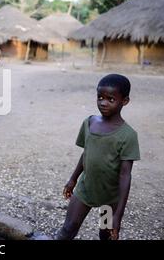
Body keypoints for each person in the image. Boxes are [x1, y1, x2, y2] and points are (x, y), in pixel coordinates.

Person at [56, 74, 140, 240]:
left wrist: (118, 215)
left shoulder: (128, 135)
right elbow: (86, 152)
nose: (103, 102)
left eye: (110, 99)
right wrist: (73, 179)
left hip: (110, 196)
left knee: (105, 234)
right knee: (67, 230)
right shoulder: (89, 123)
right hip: (85, 189)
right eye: (100, 97)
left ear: (125, 101)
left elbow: (125, 175)